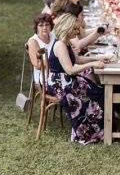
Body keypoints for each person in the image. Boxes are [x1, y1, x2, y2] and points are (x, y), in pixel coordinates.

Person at [45, 13, 106, 144]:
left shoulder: (64, 42)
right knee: (96, 93)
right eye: (75, 29)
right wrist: (92, 64)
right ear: (67, 28)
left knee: (97, 90)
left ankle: (98, 130)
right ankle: (86, 133)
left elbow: (77, 59)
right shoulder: (60, 45)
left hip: (66, 79)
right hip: (60, 83)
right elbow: (70, 69)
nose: (78, 32)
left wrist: (97, 58)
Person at [26, 13, 56, 86]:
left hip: (57, 70)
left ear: (51, 26)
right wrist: (57, 60)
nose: (44, 27)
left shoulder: (53, 36)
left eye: (47, 24)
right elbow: (37, 65)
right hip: (43, 76)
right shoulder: (33, 41)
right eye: (41, 25)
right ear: (36, 27)